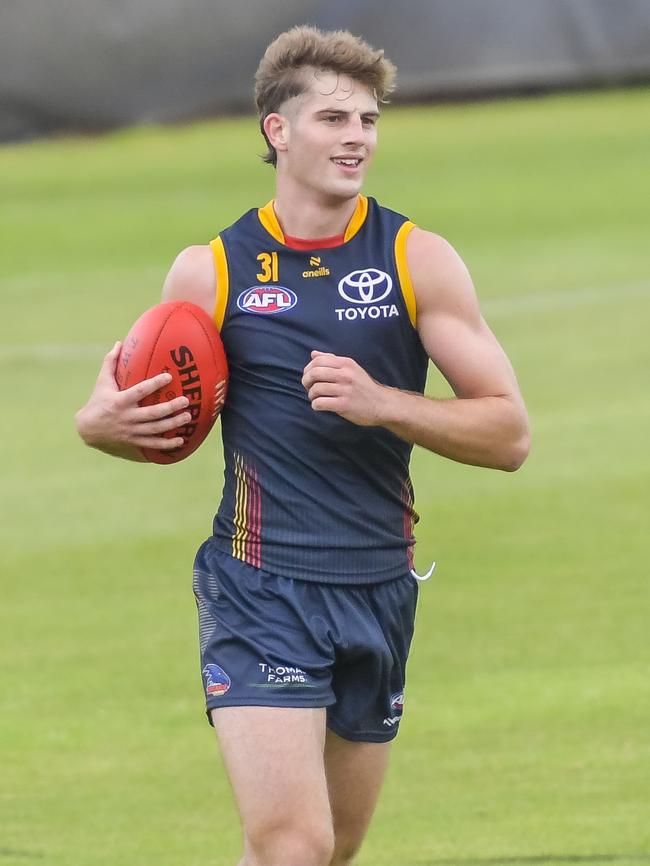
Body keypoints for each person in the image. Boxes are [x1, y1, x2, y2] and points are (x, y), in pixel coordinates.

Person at [75, 25, 530, 866]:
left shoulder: (414, 258)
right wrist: (98, 428)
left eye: (367, 119)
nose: (356, 136)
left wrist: (383, 402)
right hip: (259, 585)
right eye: (333, 118)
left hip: (379, 586)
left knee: (330, 851)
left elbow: (509, 433)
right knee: (294, 844)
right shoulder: (210, 271)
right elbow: (145, 415)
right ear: (276, 130)